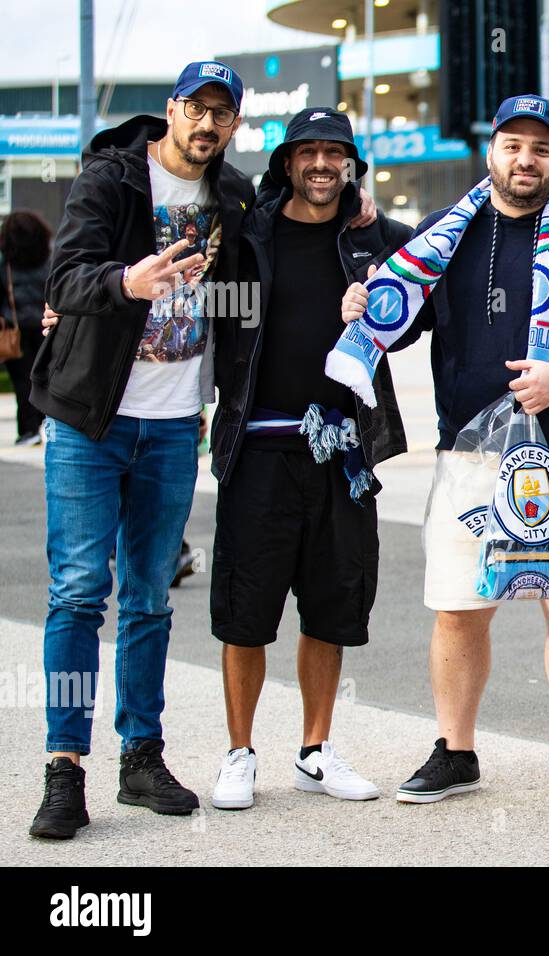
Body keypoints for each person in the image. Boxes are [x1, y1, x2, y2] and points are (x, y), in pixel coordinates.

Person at [340, 95, 549, 807]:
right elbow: (410, 325)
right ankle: (456, 751)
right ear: (492, 151)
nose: (526, 159)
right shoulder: (444, 237)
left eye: (541, 148)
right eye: (513, 144)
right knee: (458, 608)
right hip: (469, 458)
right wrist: (367, 309)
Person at [27, 61, 253, 840]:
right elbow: (63, 278)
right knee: (80, 592)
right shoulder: (111, 180)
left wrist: (363, 212)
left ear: (233, 124)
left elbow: (297, 230)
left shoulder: (234, 195)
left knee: (152, 596)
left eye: (222, 113)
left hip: (171, 427)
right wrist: (129, 281)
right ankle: (64, 767)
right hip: (90, 418)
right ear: (172, 110)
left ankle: (141, 756)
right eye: (197, 107)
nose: (207, 124)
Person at [207, 108, 413, 810]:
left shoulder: (376, 240)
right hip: (258, 450)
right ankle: (239, 754)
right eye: (310, 152)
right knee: (245, 613)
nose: (323, 164)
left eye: (337, 153)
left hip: (344, 456)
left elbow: (458, 258)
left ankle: (315, 751)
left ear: (352, 164)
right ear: (287, 161)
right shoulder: (249, 233)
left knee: (331, 608)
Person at [0, 210, 53, 445]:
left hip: (15, 328)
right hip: (45, 324)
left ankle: (28, 429)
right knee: (46, 375)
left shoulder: (6, 263)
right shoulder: (48, 258)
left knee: (23, 380)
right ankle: (45, 418)